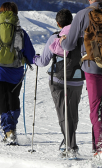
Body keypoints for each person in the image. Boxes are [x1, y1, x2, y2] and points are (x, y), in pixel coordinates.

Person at [60, 0, 102, 163]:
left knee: (96, 106)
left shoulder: (82, 15)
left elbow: (69, 44)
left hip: (92, 67)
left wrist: (62, 41)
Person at [0, 2, 35, 145]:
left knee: (2, 100)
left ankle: (8, 132)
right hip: (16, 71)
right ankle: (12, 129)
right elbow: (31, 55)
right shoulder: (21, 32)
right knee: (13, 98)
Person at [33, 9, 84, 158]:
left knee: (63, 112)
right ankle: (69, 142)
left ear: (58, 23)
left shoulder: (55, 37)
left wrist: (34, 59)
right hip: (77, 79)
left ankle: (70, 146)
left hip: (58, 80)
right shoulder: (82, 37)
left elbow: (43, 61)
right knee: (72, 112)